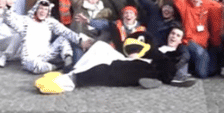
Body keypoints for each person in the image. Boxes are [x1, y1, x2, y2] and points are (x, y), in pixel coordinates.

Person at [34, 27, 196, 94]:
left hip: (142, 66)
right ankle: (73, 72)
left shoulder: (173, 53)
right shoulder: (158, 45)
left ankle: (68, 82)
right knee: (100, 47)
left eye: (177, 35)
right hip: (130, 58)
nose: (173, 36)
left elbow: (172, 66)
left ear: (181, 40)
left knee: (104, 66)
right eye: (172, 34)